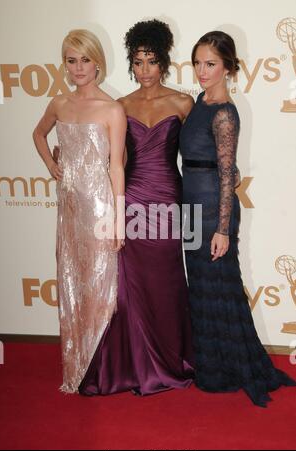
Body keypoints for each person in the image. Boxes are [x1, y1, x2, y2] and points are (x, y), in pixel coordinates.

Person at [179, 31, 296, 407]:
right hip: (191, 207)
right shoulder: (199, 101)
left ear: (227, 67)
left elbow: (228, 175)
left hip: (215, 209)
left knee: (221, 289)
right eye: (197, 62)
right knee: (202, 290)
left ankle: (231, 369)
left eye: (210, 64)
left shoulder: (225, 113)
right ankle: (212, 366)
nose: (202, 70)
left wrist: (223, 229)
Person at [78, 19, 194, 396]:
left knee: (168, 281)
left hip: (168, 200)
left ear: (164, 62)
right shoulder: (120, 105)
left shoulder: (182, 102)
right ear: (131, 64)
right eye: (138, 61)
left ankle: (172, 358)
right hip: (132, 199)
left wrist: (229, 170)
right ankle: (135, 364)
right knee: (131, 285)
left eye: (152, 60)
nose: (145, 69)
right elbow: (113, 160)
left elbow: (196, 154)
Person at [33, 29, 126, 393]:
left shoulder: (112, 109)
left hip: (101, 207)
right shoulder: (59, 103)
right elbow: (38, 134)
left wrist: (118, 218)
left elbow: (116, 166)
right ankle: (75, 366)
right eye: (71, 61)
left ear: (98, 61)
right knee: (71, 282)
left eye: (85, 59)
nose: (78, 67)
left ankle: (97, 369)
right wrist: (52, 166)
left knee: (102, 287)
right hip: (68, 209)